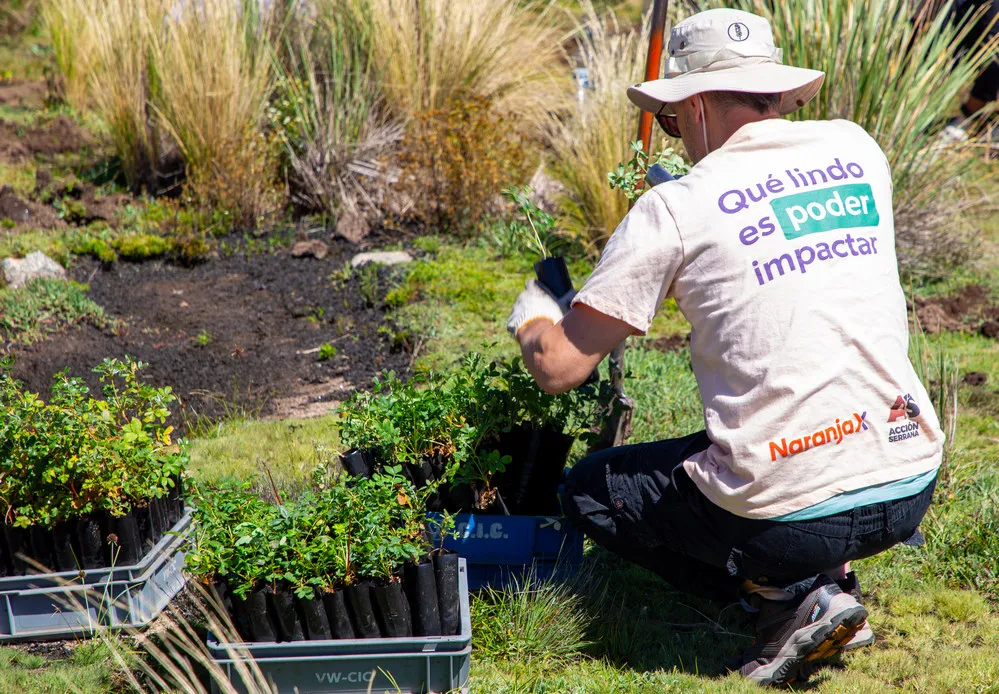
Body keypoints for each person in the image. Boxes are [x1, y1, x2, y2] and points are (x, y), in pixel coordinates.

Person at [506, 8, 943, 687]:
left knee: (592, 490)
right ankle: (824, 579)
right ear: (775, 93)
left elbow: (560, 367)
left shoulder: (675, 208)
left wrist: (533, 315)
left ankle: (784, 599)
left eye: (675, 120)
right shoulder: (858, 148)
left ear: (698, 105)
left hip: (789, 513)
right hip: (908, 477)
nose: (676, 137)